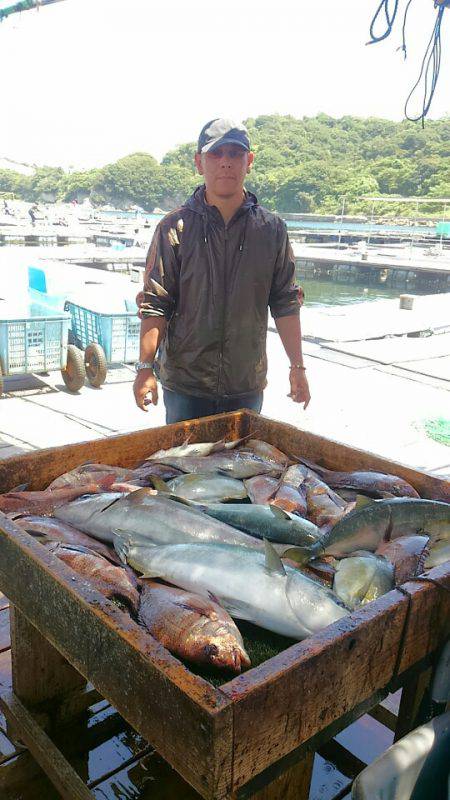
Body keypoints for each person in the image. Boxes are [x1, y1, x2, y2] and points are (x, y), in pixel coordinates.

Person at [133, 118, 310, 424]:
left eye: (235, 154)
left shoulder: (271, 229)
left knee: (243, 455)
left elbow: (285, 302)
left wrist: (297, 367)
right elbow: (156, 302)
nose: (226, 162)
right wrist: (145, 367)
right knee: (185, 456)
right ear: (199, 162)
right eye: (216, 154)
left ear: (249, 161)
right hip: (185, 387)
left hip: (246, 386)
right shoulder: (174, 228)